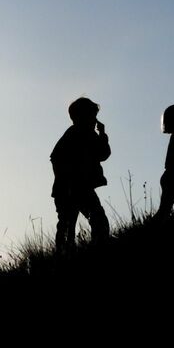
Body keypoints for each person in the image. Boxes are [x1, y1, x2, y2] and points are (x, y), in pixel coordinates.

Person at [51, 97, 112, 251]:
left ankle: (67, 254)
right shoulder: (81, 133)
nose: (95, 120)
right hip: (74, 188)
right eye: (92, 116)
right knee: (91, 220)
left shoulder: (81, 133)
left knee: (69, 226)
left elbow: (102, 154)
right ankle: (96, 248)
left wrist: (102, 135)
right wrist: (102, 135)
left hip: (72, 188)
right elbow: (103, 153)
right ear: (81, 117)